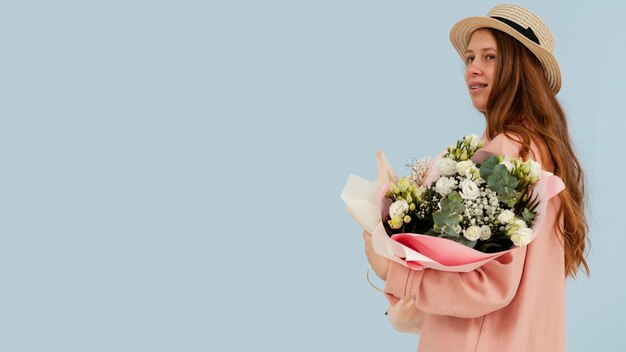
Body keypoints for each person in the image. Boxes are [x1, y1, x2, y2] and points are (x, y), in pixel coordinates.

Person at [362, 4, 589, 352]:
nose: (473, 70)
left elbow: (489, 285)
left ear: (518, 69)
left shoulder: (508, 154)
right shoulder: (539, 150)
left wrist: (395, 272)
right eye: (469, 58)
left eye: (490, 57)